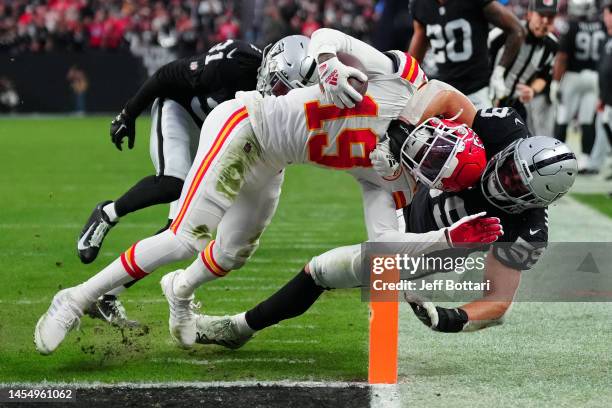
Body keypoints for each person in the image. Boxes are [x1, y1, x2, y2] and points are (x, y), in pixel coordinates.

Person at [34, 28, 494, 355]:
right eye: (436, 148)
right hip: (245, 124)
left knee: (231, 254)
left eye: (432, 168)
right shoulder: (403, 82)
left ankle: (179, 291)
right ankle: (75, 298)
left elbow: (384, 250)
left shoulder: (397, 179)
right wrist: (330, 64)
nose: (424, 156)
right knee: (184, 238)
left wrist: (450, 241)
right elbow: (325, 35)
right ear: (444, 126)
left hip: (272, 161)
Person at [194, 110, 577, 348]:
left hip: (421, 249)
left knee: (320, 270)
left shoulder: (528, 229)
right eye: (509, 167)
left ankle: (238, 329)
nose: (502, 179)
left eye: (514, 185)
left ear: (533, 201)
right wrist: (405, 133)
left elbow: (497, 301)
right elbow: (444, 100)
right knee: (358, 151)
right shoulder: (503, 129)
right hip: (407, 189)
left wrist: (449, 319)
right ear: (515, 149)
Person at [77, 36, 316, 327]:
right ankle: (108, 213)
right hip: (181, 112)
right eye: (280, 87)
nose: (280, 97)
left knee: (174, 231)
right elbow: (166, 75)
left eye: (289, 93)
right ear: (271, 67)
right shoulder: (233, 65)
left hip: (216, 136)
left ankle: (107, 296)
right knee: (172, 182)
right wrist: (128, 113)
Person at [409, 0, 526, 109]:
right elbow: (419, 41)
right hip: (443, 91)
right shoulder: (420, 4)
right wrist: (406, 80)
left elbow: (517, 30)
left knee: (486, 128)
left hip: (477, 90)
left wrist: (499, 72)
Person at [551, 0, 605, 174]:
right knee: (587, 120)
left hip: (573, 77)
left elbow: (562, 56)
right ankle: (585, 160)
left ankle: (559, 158)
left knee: (563, 118)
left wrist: (555, 82)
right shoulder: (600, 25)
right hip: (594, 77)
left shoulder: (571, 25)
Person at [488, 0, 558, 125]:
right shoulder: (507, 32)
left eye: (551, 17)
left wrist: (532, 90)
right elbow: (481, 58)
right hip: (488, 98)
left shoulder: (552, 45)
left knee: (523, 141)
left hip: (516, 104)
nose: (546, 21)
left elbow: (545, 76)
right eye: (541, 15)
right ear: (529, 14)